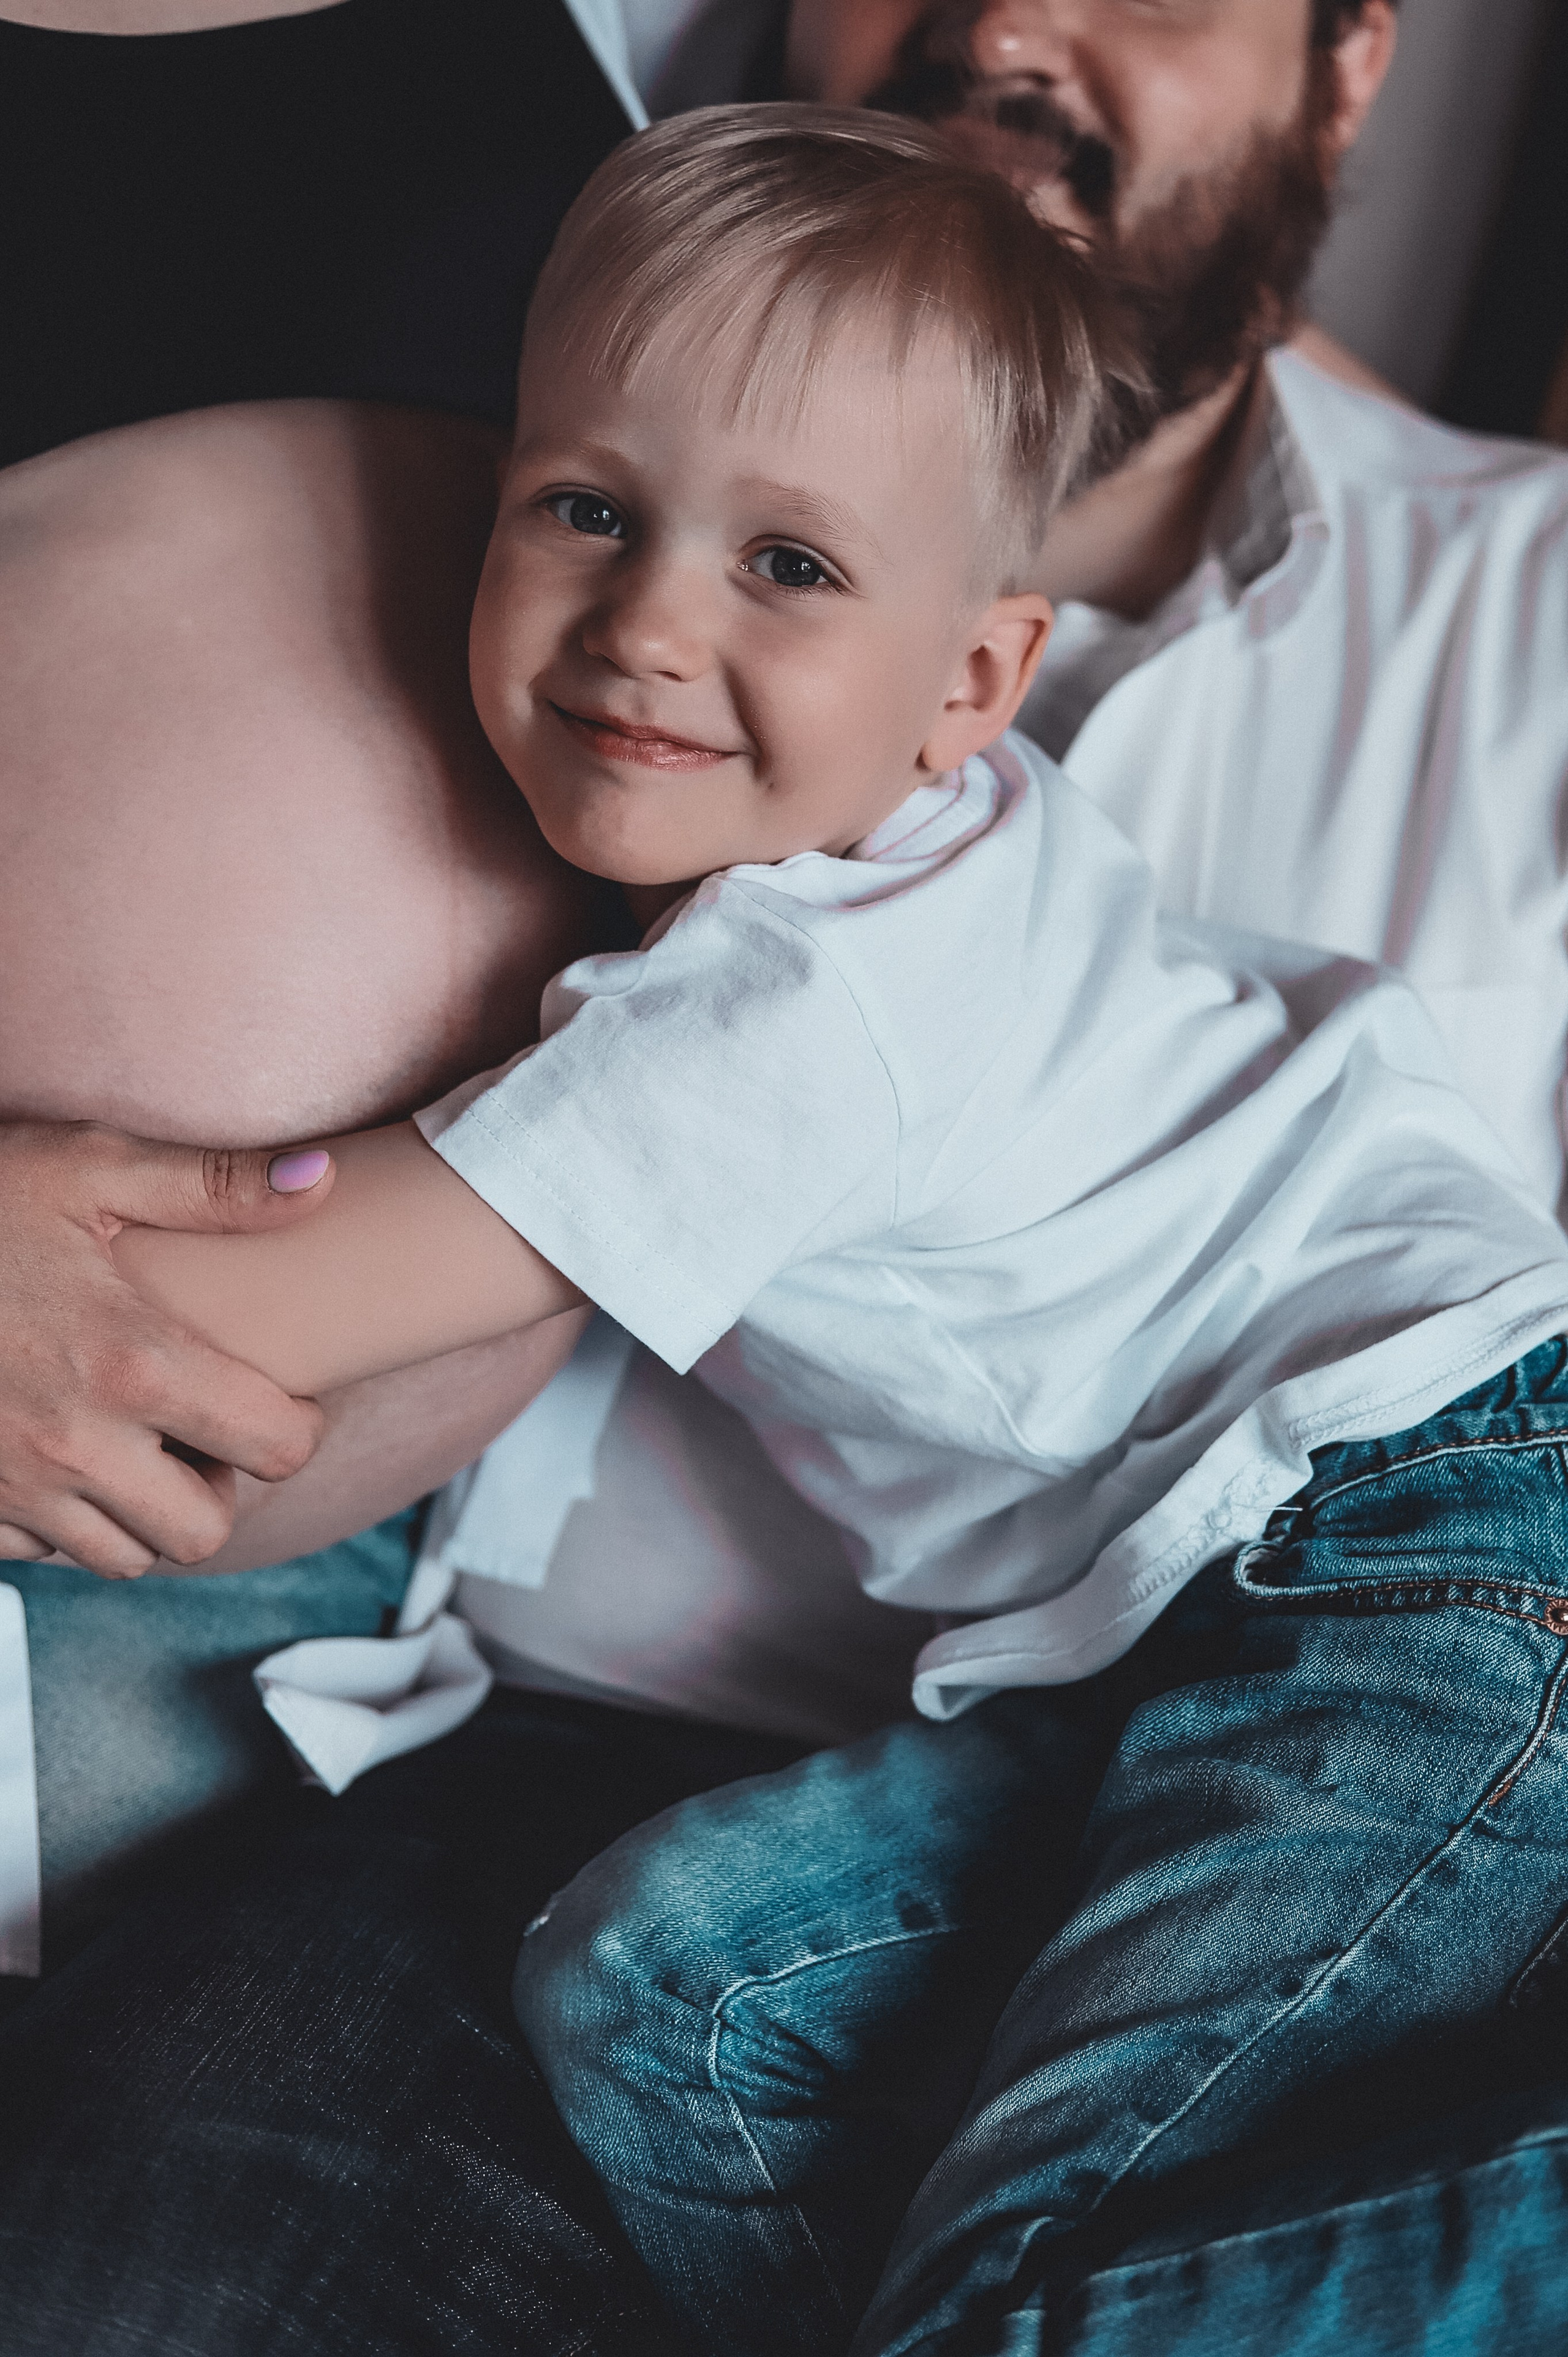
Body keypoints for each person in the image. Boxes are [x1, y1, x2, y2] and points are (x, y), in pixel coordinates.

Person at [74, 104, 1568, 2357]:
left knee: (1020, 2301)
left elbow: (225, 1316)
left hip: (1427, 1547)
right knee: (673, 2002)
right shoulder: (873, 858)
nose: (652, 624)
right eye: (586, 508)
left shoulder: (805, 1000)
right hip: (1215, 1600)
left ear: (974, 682)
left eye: (791, 567)